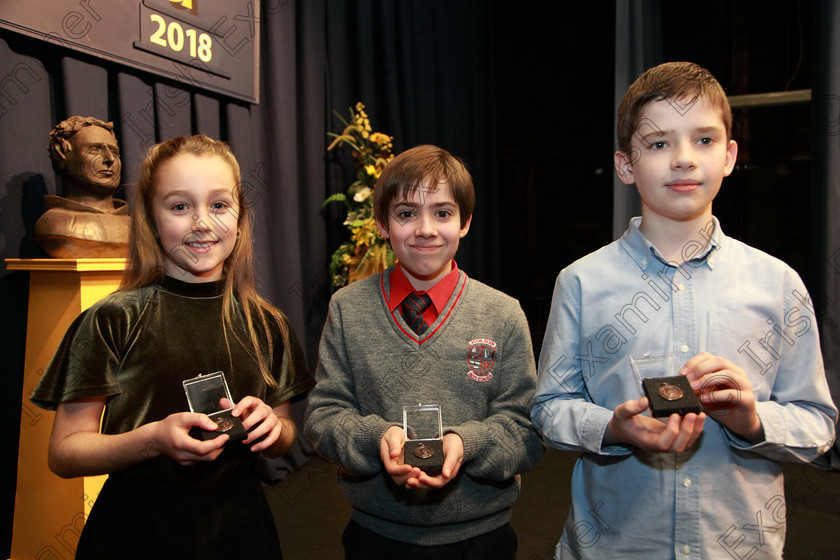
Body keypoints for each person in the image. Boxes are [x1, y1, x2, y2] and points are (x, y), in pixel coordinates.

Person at [531, 61, 837, 559]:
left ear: (731, 155)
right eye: (658, 143)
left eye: (704, 140)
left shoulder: (778, 285)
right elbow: (549, 409)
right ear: (626, 165)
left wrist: (750, 420)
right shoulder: (583, 282)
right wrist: (614, 428)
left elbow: (817, 423)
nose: (683, 159)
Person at [31, 135, 314, 560]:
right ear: (149, 216)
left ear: (239, 219)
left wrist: (272, 431)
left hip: (239, 526)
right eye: (180, 206)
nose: (202, 222)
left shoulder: (267, 323)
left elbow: (286, 430)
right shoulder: (113, 319)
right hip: (138, 529)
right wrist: (152, 440)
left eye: (219, 205)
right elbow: (65, 452)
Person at [304, 144, 544, 559]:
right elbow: (323, 416)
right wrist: (379, 438)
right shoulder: (347, 308)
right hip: (376, 535)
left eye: (443, 213)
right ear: (382, 223)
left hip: (480, 537)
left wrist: (464, 444)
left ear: (465, 222)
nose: (426, 229)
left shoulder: (503, 314)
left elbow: (526, 430)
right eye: (406, 213)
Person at [34, 116, 130, 257]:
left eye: (114, 152)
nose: (109, 159)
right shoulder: (56, 225)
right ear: (61, 153)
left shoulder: (136, 229)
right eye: (95, 150)